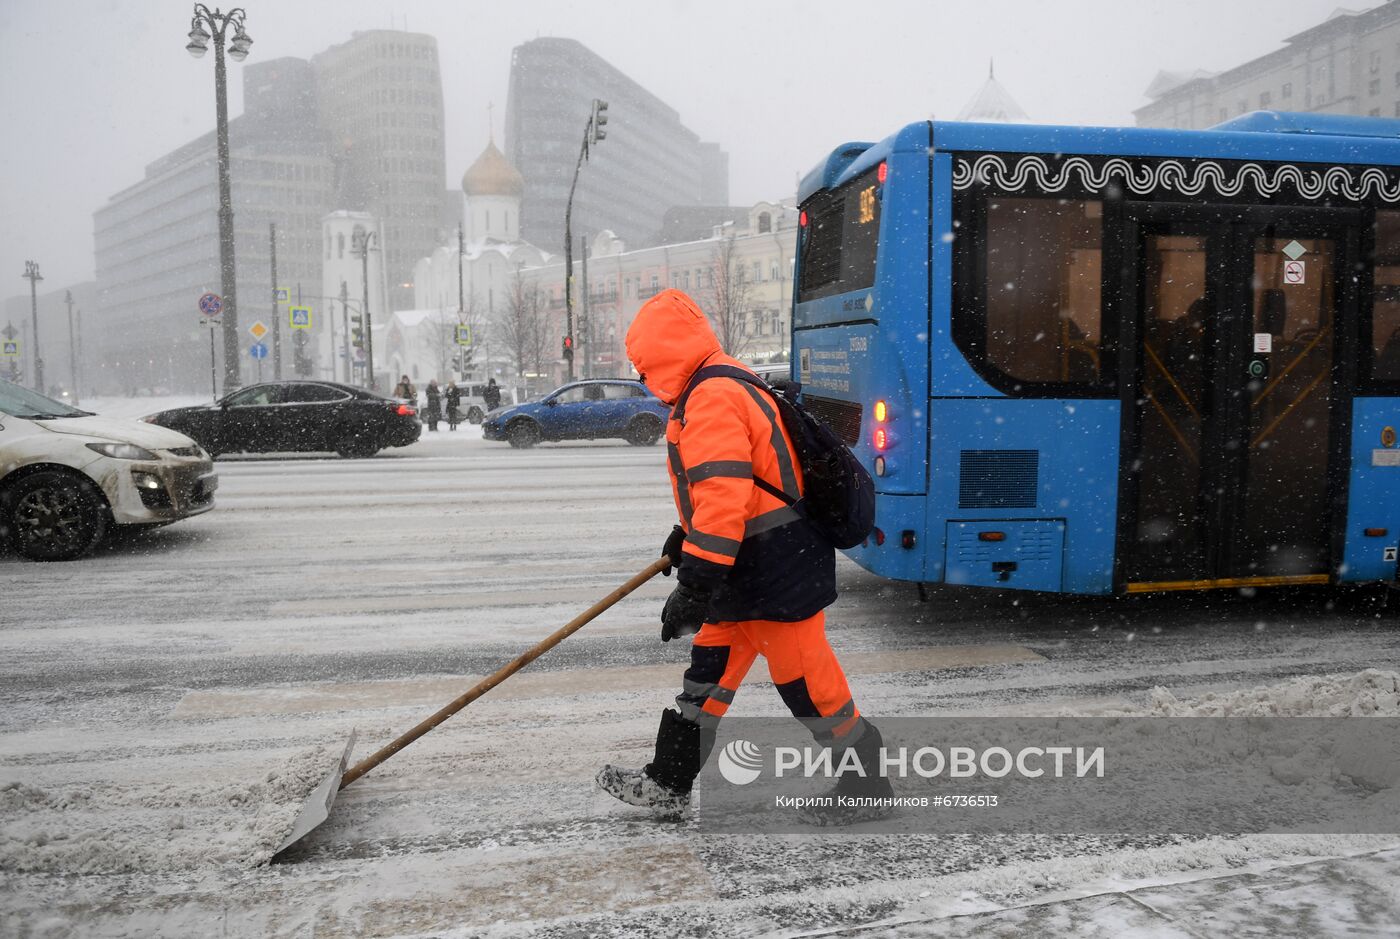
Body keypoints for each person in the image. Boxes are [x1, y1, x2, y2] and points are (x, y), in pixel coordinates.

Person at [595, 289, 889, 823]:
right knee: (707, 673)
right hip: (748, 569)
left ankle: (866, 783)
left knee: (808, 686)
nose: (642, 377)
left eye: (643, 365)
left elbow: (726, 497)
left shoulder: (711, 397)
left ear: (664, 353)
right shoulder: (722, 380)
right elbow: (729, 491)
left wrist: (694, 584)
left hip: (775, 570)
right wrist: (685, 538)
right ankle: (669, 781)